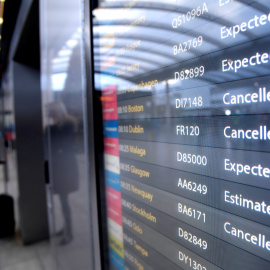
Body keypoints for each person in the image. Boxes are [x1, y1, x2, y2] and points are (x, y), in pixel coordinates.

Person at [47, 101, 79, 245]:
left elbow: (63, 144)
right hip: (57, 168)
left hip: (65, 169)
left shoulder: (68, 125)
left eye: (51, 112)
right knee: (61, 200)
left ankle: (69, 232)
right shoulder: (53, 127)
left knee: (64, 201)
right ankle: (66, 228)